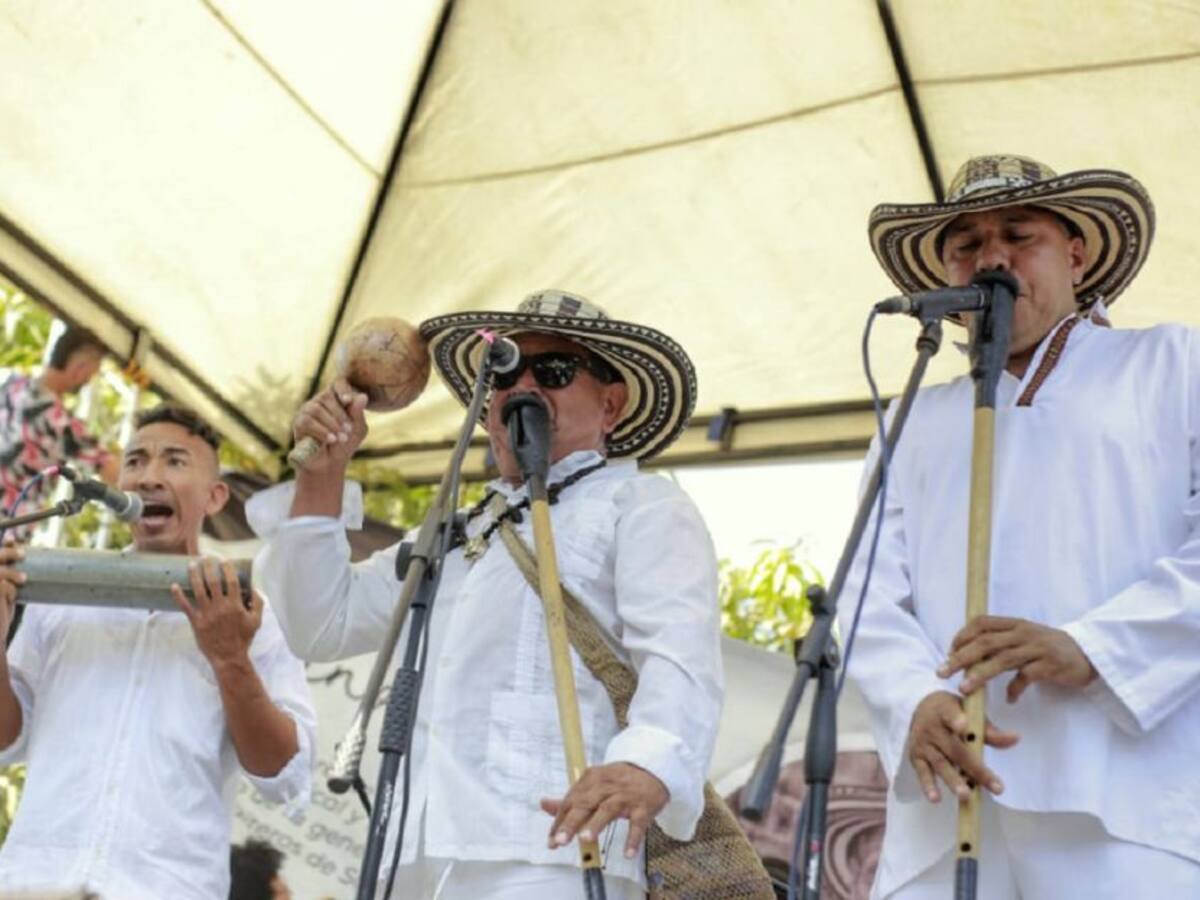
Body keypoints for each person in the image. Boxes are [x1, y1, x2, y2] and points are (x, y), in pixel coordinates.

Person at [250, 291, 723, 899]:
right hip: (416, 855)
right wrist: (322, 474)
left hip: (551, 855)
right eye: (503, 372)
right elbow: (319, 624)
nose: (523, 385)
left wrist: (647, 762)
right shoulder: (454, 530)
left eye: (552, 371)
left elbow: (681, 658)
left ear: (611, 404)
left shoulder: (640, 506)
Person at [843, 154, 1200, 898]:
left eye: (1018, 234)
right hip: (947, 809)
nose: (991, 256)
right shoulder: (913, 415)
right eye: (966, 244)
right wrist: (916, 700)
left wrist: (1093, 647)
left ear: (1077, 256)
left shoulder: (1174, 363)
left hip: (1123, 798)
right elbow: (861, 590)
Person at [0, 403, 317, 900]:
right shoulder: (59, 596)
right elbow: (5, 740)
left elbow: (284, 772)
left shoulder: (251, 612)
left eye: (174, 461)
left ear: (215, 497)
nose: (148, 477)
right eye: (135, 461)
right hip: (36, 881)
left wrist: (230, 658)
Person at [0, 324, 119, 517]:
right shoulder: (62, 423)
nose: (87, 381)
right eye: (91, 373)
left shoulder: (8, 382)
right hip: (7, 531)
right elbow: (109, 467)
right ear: (79, 367)